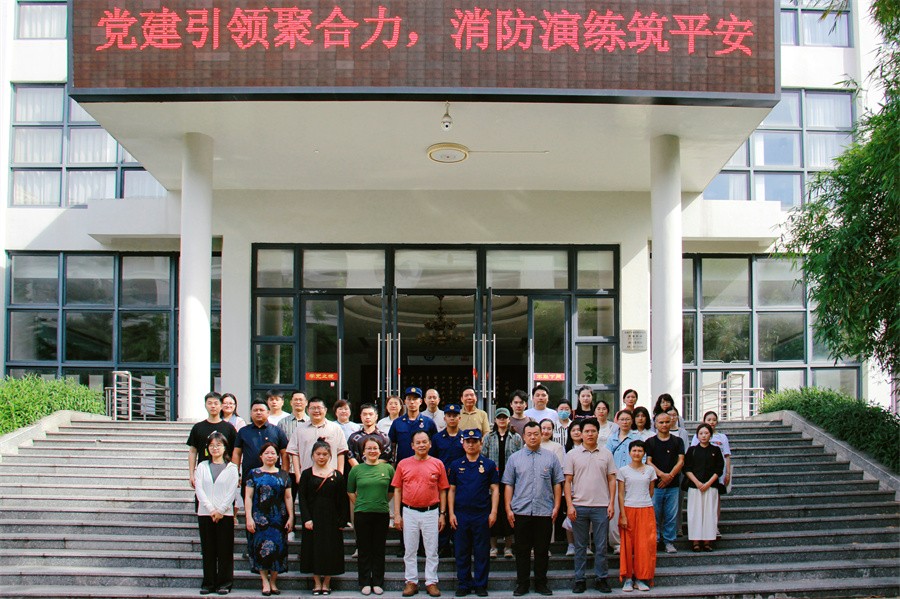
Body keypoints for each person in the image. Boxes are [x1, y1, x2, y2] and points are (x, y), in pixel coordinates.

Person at [503, 421, 564, 597]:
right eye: (529, 434)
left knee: (542, 550)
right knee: (522, 550)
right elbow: (509, 484)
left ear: (541, 435)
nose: (532, 437)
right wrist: (508, 508)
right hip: (521, 511)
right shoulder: (515, 458)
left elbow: (557, 483)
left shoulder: (551, 457)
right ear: (523, 436)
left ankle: (541, 583)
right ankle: (522, 584)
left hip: (544, 511)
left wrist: (557, 506)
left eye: (536, 434)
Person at [392, 430, 450, 598]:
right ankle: (411, 581)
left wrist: (442, 514)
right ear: (412, 446)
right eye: (418, 442)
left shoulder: (438, 464)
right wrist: (397, 514)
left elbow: (443, 490)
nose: (421, 445)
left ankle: (431, 582)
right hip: (409, 511)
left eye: (424, 442)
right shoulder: (403, 464)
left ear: (430, 444)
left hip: (431, 512)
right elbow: (397, 490)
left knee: (432, 550)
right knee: (410, 550)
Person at [564, 418, 616, 595]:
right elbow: (567, 481)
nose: (590, 434)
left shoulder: (606, 454)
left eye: (593, 431)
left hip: (601, 506)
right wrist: (569, 505)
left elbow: (612, 479)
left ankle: (601, 578)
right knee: (580, 546)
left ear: (598, 433)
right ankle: (580, 579)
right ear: (581, 434)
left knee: (601, 546)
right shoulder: (572, 454)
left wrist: (611, 503)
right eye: (586, 431)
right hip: (579, 505)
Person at [448, 429, 499, 598]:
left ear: (480, 443)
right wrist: (451, 513)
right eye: (468, 441)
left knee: (481, 552)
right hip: (461, 514)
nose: (471, 444)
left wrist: (493, 512)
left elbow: (495, 489)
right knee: (461, 551)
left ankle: (480, 585)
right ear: (463, 444)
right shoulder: (456, 465)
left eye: (474, 441)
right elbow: (451, 490)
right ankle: (464, 584)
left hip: (481, 514)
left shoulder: (489, 465)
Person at [298, 441, 350, 595]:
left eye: (325, 454)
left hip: (331, 519)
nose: (321, 457)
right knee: (313, 549)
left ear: (330, 455)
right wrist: (306, 518)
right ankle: (316, 582)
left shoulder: (337, 475)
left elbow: (343, 500)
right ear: (313, 455)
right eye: (318, 454)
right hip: (313, 518)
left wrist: (342, 520)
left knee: (330, 550)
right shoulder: (306, 474)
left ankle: (327, 582)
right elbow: (302, 498)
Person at [347, 437, 395, 596]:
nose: (372, 451)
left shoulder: (388, 469)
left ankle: (378, 582)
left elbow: (391, 491)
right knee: (364, 549)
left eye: (375, 448)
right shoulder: (356, 470)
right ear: (363, 452)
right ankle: (365, 582)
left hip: (381, 513)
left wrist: (381, 501)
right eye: (369, 448)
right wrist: (361, 503)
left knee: (379, 549)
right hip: (362, 514)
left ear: (380, 451)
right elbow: (350, 491)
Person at [245, 442, 294, 596]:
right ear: (261, 456)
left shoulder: (284, 475)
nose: (270, 456)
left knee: (278, 549)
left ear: (278, 456)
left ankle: (273, 581)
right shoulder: (253, 473)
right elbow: (248, 497)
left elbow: (288, 497)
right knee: (260, 548)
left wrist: (291, 516)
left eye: (273, 453)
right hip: (259, 518)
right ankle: (264, 581)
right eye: (266, 453)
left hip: (279, 518)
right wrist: (248, 517)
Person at [195, 431, 239, 595]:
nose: (215, 448)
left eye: (218, 445)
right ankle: (209, 583)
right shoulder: (202, 466)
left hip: (225, 515)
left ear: (225, 447)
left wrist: (220, 510)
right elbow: (199, 489)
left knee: (225, 550)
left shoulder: (232, 468)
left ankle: (224, 583)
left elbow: (231, 491)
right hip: (205, 513)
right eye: (212, 445)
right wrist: (211, 509)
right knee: (208, 550)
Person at [617, 440, 657, 592]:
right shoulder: (623, 470)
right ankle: (628, 578)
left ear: (644, 453)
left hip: (646, 509)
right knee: (627, 546)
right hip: (628, 509)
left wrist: (642, 501)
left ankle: (641, 578)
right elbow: (621, 494)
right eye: (634, 450)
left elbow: (651, 491)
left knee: (644, 546)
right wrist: (623, 515)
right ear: (629, 452)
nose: (637, 453)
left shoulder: (650, 470)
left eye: (640, 451)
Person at [481, 407, 521, 559]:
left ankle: (508, 547)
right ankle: (493, 547)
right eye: (499, 417)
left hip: (510, 482)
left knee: (508, 514)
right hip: (493, 482)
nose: (502, 420)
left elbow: (520, 458)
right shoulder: (488, 437)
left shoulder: (516, 437)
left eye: (505, 417)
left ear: (509, 419)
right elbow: (483, 457)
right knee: (493, 513)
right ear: (495, 420)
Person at [644, 412, 684, 555]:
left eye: (667, 422)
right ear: (655, 424)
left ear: (672, 422)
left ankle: (669, 541)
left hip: (673, 484)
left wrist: (670, 476)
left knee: (671, 515)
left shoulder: (677, 441)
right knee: (654, 514)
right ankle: (655, 539)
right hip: (655, 484)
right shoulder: (650, 442)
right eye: (661, 422)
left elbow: (681, 461)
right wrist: (662, 475)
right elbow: (648, 461)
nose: (664, 425)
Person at [684, 423, 725, 552]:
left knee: (709, 513)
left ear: (710, 435)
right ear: (697, 435)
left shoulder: (716, 450)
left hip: (711, 486)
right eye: (701, 433)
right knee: (695, 513)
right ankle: (695, 541)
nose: (703, 436)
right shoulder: (692, 450)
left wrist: (708, 483)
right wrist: (697, 482)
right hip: (694, 486)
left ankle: (708, 541)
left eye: (706, 433)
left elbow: (719, 469)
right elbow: (687, 468)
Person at [690, 410, 733, 536]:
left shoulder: (722, 437)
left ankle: (715, 526)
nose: (712, 422)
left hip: (718, 473)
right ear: (704, 421)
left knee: (716, 499)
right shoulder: (697, 436)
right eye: (709, 420)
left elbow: (727, 456)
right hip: (701, 473)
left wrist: (728, 473)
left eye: (714, 420)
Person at [431, 404, 465, 558]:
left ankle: (459, 545)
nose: (452, 418)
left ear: (459, 417)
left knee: (459, 512)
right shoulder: (437, 438)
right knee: (442, 513)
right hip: (441, 482)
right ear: (444, 418)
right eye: (449, 415)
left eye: (455, 415)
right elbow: (432, 459)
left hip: (461, 482)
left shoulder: (465, 438)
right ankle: (443, 545)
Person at [232, 400, 288, 490]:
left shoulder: (277, 431)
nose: (258, 412)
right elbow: (237, 453)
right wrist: (235, 474)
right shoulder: (243, 431)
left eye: (261, 410)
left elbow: (284, 454)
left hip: (273, 478)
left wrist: (284, 474)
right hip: (249, 478)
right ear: (251, 413)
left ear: (268, 412)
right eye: (255, 410)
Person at [287, 397, 348, 478]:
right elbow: (294, 453)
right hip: (307, 477)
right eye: (313, 408)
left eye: (319, 408)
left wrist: (340, 474)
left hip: (331, 476)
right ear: (308, 410)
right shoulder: (299, 429)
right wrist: (298, 475)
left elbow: (341, 452)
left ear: (325, 410)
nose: (316, 411)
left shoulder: (335, 428)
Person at [606, 410, 640, 554]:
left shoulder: (637, 438)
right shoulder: (611, 439)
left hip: (633, 480)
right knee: (615, 511)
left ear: (632, 421)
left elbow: (642, 458)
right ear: (617, 421)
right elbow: (607, 459)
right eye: (622, 419)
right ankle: (617, 543)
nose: (625, 422)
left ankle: (632, 541)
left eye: (627, 419)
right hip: (615, 479)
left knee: (631, 511)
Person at [187, 392, 237, 491]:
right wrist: (191, 474)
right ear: (205, 405)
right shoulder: (198, 427)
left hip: (224, 472)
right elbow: (192, 451)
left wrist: (235, 472)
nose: (213, 406)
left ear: (221, 406)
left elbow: (235, 451)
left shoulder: (229, 428)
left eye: (216, 403)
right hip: (204, 471)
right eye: (209, 403)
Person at [389, 387, 438, 464]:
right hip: (403, 465)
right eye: (409, 399)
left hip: (424, 464)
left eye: (415, 399)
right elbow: (392, 445)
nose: (412, 402)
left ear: (421, 401)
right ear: (405, 401)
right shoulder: (397, 422)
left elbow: (435, 445)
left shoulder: (428, 422)